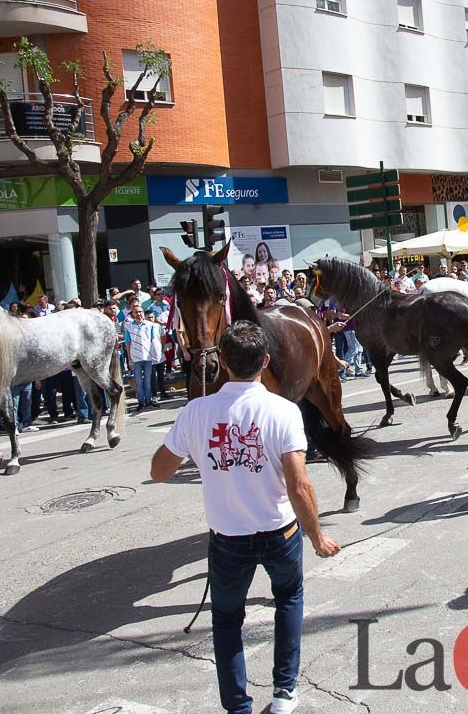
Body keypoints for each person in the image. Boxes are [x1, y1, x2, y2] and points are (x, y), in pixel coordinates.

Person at [149, 321, 340, 714]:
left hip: (227, 539)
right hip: (279, 532)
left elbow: (159, 472)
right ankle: (284, 692)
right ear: (265, 361)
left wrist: (196, 447)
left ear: (222, 360)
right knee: (289, 601)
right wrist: (317, 536)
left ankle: (238, 707)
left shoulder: (196, 411)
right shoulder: (284, 411)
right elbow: (299, 485)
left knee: (226, 621)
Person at [124, 298, 161, 412]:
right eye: (136, 312)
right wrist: (129, 359)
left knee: (148, 381)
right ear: (133, 314)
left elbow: (154, 340)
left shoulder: (150, 325)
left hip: (148, 356)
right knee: (138, 382)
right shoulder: (129, 326)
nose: (139, 314)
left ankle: (149, 400)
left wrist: (157, 354)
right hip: (136, 357)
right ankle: (141, 402)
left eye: (140, 312)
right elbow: (127, 343)